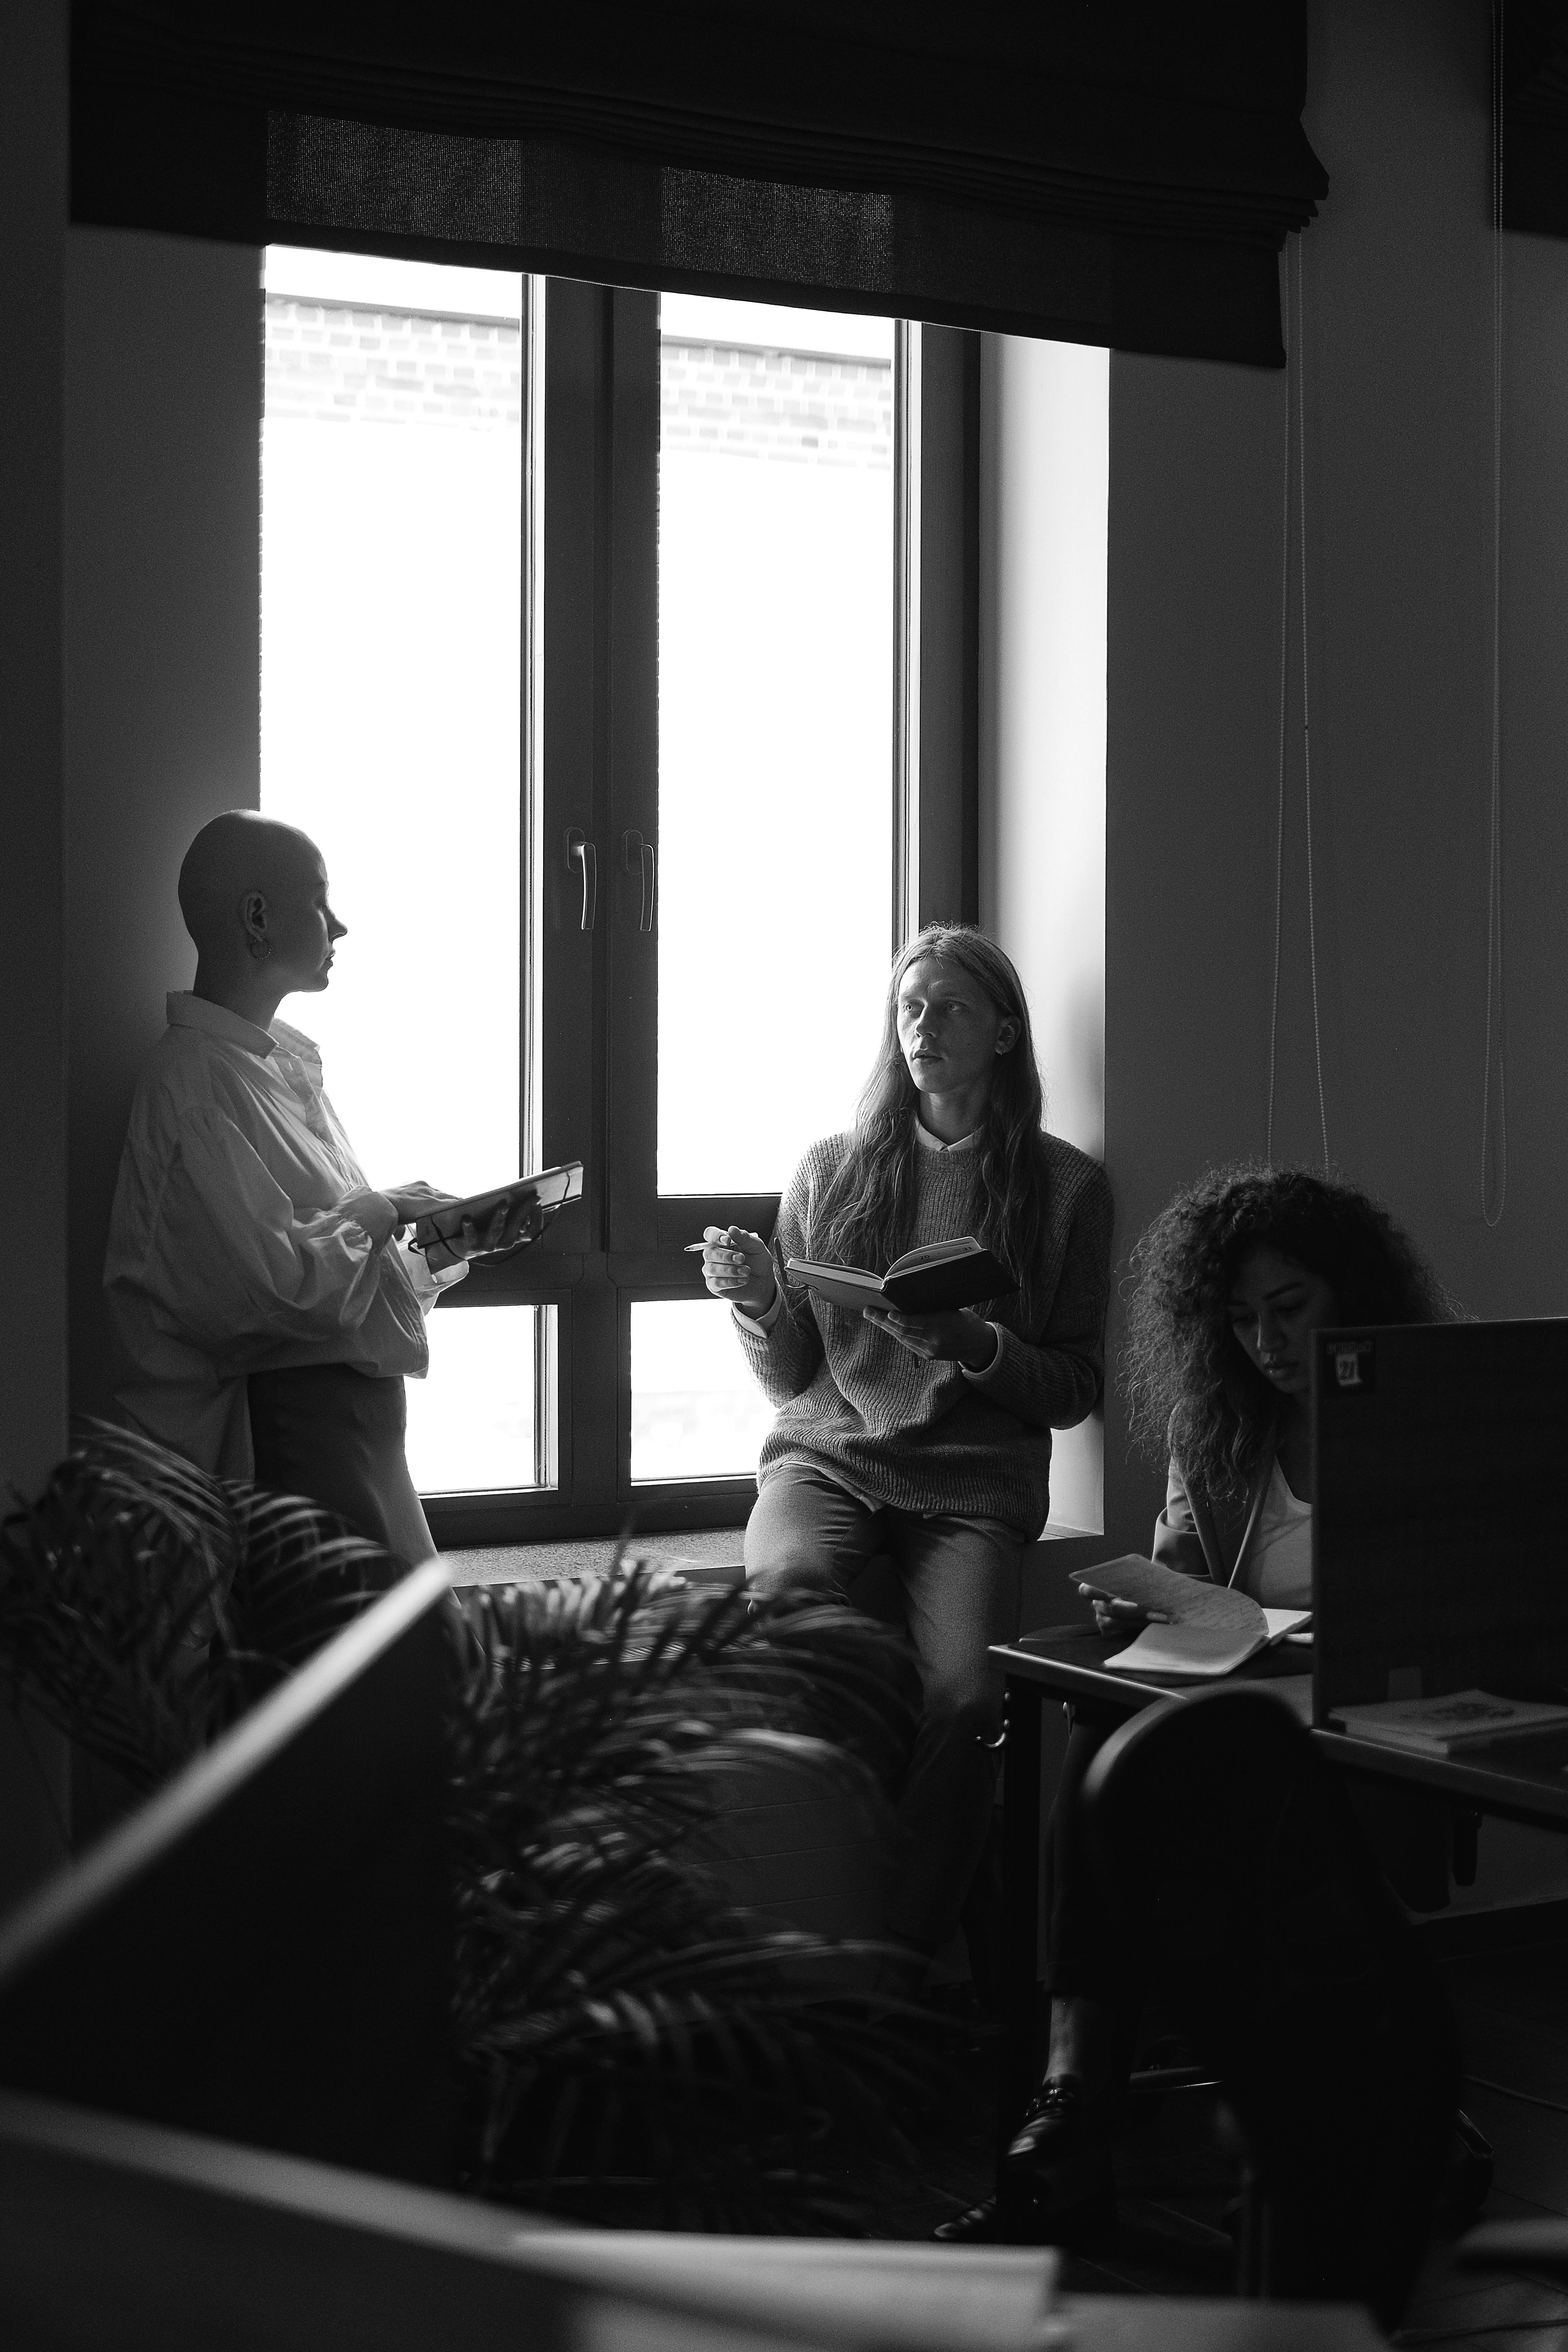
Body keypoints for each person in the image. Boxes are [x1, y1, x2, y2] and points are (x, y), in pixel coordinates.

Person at [937, 1162, 1452, 2244]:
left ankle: (1079, 2105)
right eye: (1240, 1319)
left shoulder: (1426, 1419)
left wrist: (1295, 1643)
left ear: (1349, 1294)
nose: (1264, 1342)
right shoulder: (1222, 1428)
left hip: (1366, 1736)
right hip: (1234, 1716)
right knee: (1105, 1721)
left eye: (1290, 1309)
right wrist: (1149, 1606)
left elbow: (1456, 1617)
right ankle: (1076, 2080)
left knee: (1136, 1766)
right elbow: (1190, 1581)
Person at [698, 922, 1113, 1971]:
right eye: (910, 1006)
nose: (924, 1025)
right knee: (785, 1605)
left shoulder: (1066, 1191)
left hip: (974, 1486)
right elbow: (797, 1376)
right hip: (828, 1458)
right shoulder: (832, 1171)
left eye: (951, 1007)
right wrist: (756, 1302)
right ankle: (885, 1909)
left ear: (1006, 1033)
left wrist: (977, 1347)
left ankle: (906, 1952)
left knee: (972, 1702)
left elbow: (1075, 1387)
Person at [105, 810, 530, 1568]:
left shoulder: (276, 1074)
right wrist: (379, 1208)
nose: (340, 927)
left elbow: (331, 1296)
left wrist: (433, 1251)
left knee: (410, 1674)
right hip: (284, 1462)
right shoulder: (198, 1086)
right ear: (258, 919)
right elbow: (271, 1298)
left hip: (349, 1450)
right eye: (319, 902)